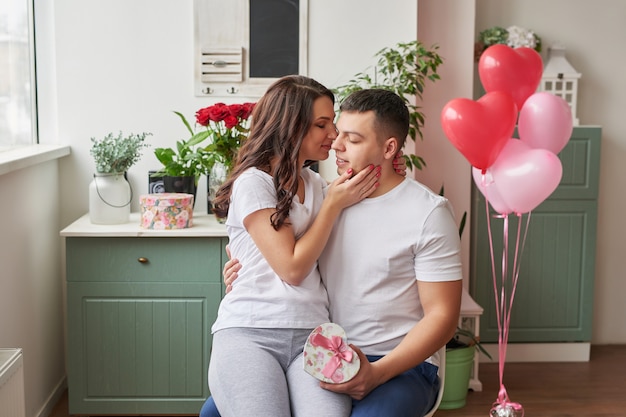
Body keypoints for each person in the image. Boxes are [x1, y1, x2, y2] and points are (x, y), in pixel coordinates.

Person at [203, 88, 463, 417]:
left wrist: (377, 373)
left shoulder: (427, 212)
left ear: (388, 148)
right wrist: (245, 270)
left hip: (395, 364)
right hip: (320, 351)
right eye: (335, 131)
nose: (336, 143)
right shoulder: (326, 198)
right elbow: (285, 254)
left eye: (351, 139)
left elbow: (443, 316)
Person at [207, 75, 381, 417]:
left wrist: (389, 166)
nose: (333, 134)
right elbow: (292, 269)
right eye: (322, 124)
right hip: (250, 332)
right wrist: (332, 204)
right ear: (291, 126)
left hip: (312, 335)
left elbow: (362, 189)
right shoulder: (253, 183)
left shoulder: (315, 183)